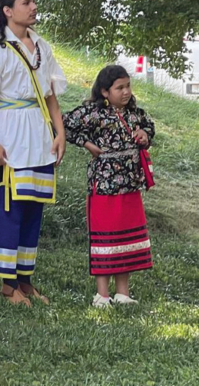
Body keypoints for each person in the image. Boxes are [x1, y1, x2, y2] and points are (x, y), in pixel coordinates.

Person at [0, 0, 67, 306]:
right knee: (10, 208)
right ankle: (8, 285)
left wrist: (59, 132)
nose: (33, 7)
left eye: (34, 1)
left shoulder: (42, 46)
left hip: (38, 135)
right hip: (10, 134)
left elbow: (50, 96)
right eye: (26, 2)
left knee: (33, 208)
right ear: (8, 11)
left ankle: (26, 282)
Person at [64, 65, 155, 308]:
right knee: (105, 238)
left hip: (130, 185)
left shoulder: (135, 114)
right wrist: (87, 144)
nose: (126, 92)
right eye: (119, 88)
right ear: (105, 92)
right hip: (103, 185)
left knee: (125, 237)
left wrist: (144, 135)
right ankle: (102, 295)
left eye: (128, 86)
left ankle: (122, 293)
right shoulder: (93, 113)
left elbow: (150, 128)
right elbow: (63, 124)